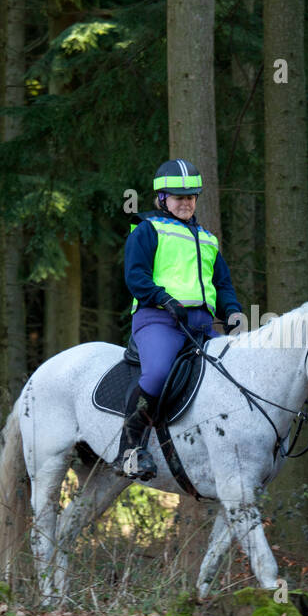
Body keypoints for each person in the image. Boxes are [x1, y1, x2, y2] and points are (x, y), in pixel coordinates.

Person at [112, 158, 244, 479]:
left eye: (190, 197)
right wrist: (162, 298)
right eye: (178, 197)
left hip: (200, 324)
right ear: (162, 199)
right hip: (157, 319)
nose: (185, 203)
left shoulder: (208, 239)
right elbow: (136, 276)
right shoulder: (147, 229)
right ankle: (128, 451)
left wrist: (234, 311)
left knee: (233, 371)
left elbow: (221, 284)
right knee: (157, 374)